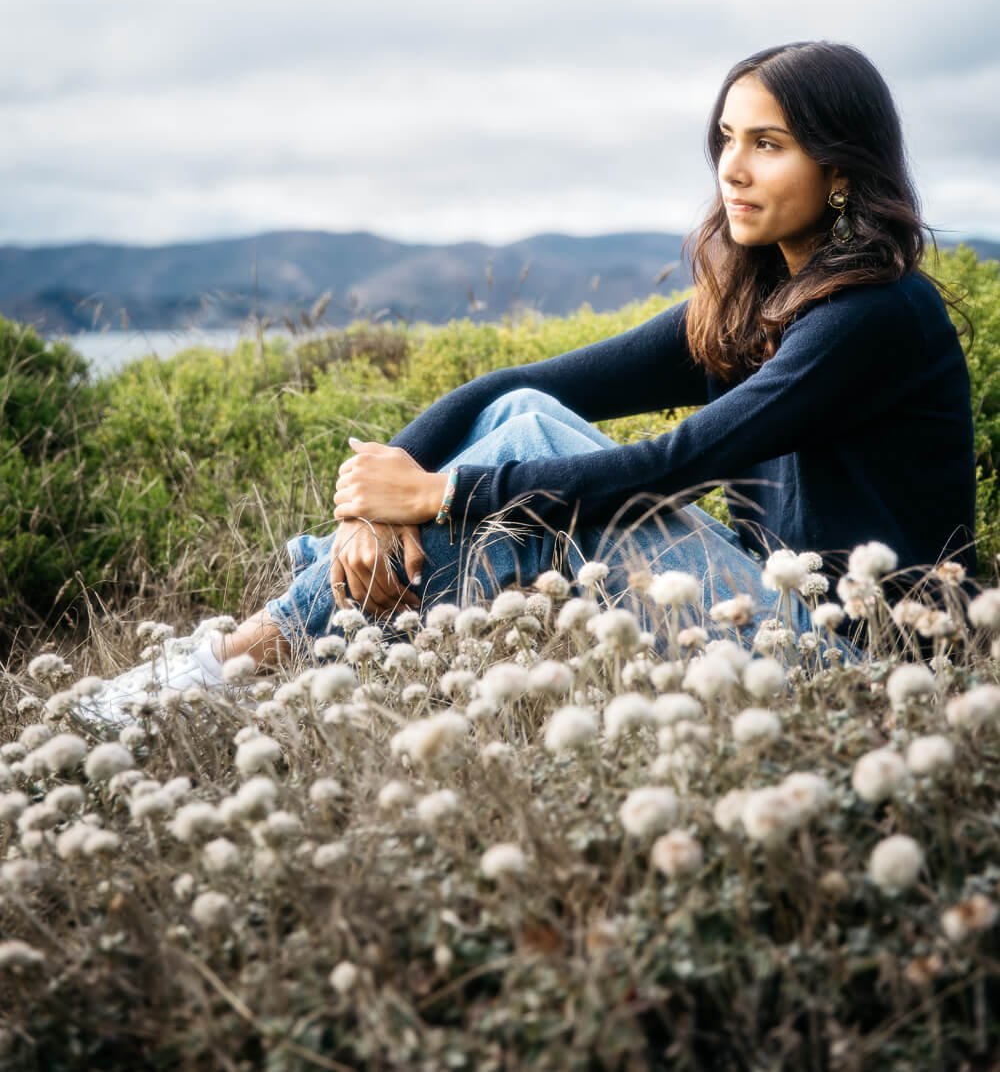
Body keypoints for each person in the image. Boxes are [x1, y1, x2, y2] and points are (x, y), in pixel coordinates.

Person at [81, 41, 979, 725]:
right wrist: (374, 507)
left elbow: (678, 460)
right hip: (767, 612)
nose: (732, 169)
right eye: (726, 140)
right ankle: (262, 639)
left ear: (841, 171)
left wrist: (440, 492)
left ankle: (216, 672)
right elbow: (509, 384)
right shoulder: (755, 302)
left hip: (858, 668)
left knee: (531, 446)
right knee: (523, 412)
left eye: (768, 145)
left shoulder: (876, 315)